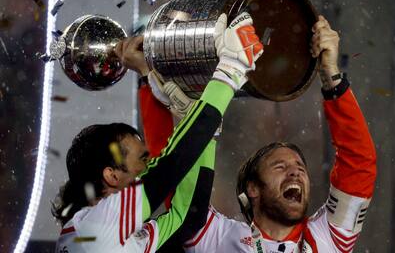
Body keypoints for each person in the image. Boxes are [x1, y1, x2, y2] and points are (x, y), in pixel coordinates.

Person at [145, 15, 376, 252]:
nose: (295, 173)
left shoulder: (328, 239)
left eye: (300, 167)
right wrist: (147, 79)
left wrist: (331, 76)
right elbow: (173, 172)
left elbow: (359, 164)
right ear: (252, 189)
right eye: (280, 167)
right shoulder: (214, 237)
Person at [51, 12, 264, 252]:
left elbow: (188, 218)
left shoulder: (113, 234)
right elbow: (168, 167)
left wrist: (200, 124)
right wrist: (231, 68)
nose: (150, 163)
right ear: (112, 176)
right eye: (142, 161)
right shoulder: (94, 227)